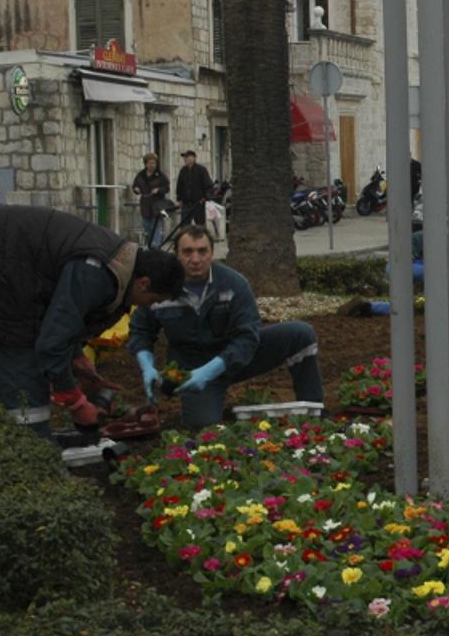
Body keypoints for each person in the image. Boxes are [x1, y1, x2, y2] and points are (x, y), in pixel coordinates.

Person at [0, 205, 184, 439]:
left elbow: (64, 315)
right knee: (17, 349)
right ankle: (31, 451)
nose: (149, 306)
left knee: (32, 340)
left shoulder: (118, 266)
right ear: (143, 282)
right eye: (153, 300)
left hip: (8, 252)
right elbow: (51, 343)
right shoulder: (97, 273)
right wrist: (77, 402)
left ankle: (35, 442)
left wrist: (77, 357)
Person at [129, 225, 324, 429]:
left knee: (301, 334)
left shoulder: (234, 284)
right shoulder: (162, 288)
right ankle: (206, 401)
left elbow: (248, 336)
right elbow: (141, 328)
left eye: (202, 251)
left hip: (234, 359)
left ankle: (314, 412)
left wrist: (211, 370)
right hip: (192, 372)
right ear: (176, 254)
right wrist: (146, 366)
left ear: (212, 253)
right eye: (187, 252)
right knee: (202, 426)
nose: (195, 259)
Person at [132, 153, 171, 248]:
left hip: (157, 205)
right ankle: (151, 245)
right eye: (150, 163)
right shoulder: (140, 175)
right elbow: (135, 185)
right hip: (145, 205)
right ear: (146, 164)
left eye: (154, 163)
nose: (152, 165)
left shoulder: (160, 175)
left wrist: (158, 190)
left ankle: (156, 246)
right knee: (147, 227)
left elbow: (167, 188)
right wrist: (136, 189)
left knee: (156, 226)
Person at [175, 149, 213, 227]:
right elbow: (179, 186)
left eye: (188, 157)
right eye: (185, 157)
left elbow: (208, 185)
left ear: (194, 158)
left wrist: (205, 197)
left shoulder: (201, 170)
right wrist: (179, 199)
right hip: (186, 203)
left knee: (200, 224)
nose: (186, 159)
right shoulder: (183, 170)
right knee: (185, 225)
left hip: (198, 202)